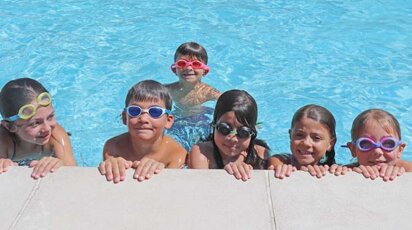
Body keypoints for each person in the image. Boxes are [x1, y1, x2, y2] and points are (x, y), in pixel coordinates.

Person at [98, 80, 187, 183]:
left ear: (168, 120)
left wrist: (160, 170)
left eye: (155, 112)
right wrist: (112, 163)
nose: (144, 119)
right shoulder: (113, 148)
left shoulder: (176, 154)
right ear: (124, 117)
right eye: (135, 111)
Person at [0, 78, 76, 178]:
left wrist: (59, 164)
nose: (47, 128)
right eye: (35, 123)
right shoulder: (3, 141)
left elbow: (73, 175)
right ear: (9, 127)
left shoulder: (56, 136)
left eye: (50, 117)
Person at [189, 89, 271, 181]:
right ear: (213, 125)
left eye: (243, 132)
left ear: (252, 134)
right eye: (224, 129)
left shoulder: (260, 155)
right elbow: (200, 188)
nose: (233, 138)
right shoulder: (202, 153)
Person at [268, 104, 348, 179]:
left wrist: (339, 171)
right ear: (290, 136)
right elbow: (275, 166)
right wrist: (281, 169)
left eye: (316, 138)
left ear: (330, 144)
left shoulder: (332, 168)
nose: (306, 143)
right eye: (299, 135)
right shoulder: (280, 161)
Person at [344, 108, 412, 181]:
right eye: (366, 144)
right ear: (353, 150)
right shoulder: (349, 170)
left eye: (388, 143)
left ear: (400, 150)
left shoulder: (407, 168)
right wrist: (338, 169)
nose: (378, 151)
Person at [165, 41, 221, 116]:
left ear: (205, 71)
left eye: (196, 64)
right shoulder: (167, 90)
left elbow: (231, 104)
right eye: (182, 63)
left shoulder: (209, 92)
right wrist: (167, 113)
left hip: (201, 121)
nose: (188, 68)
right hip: (175, 118)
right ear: (175, 70)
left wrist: (207, 109)